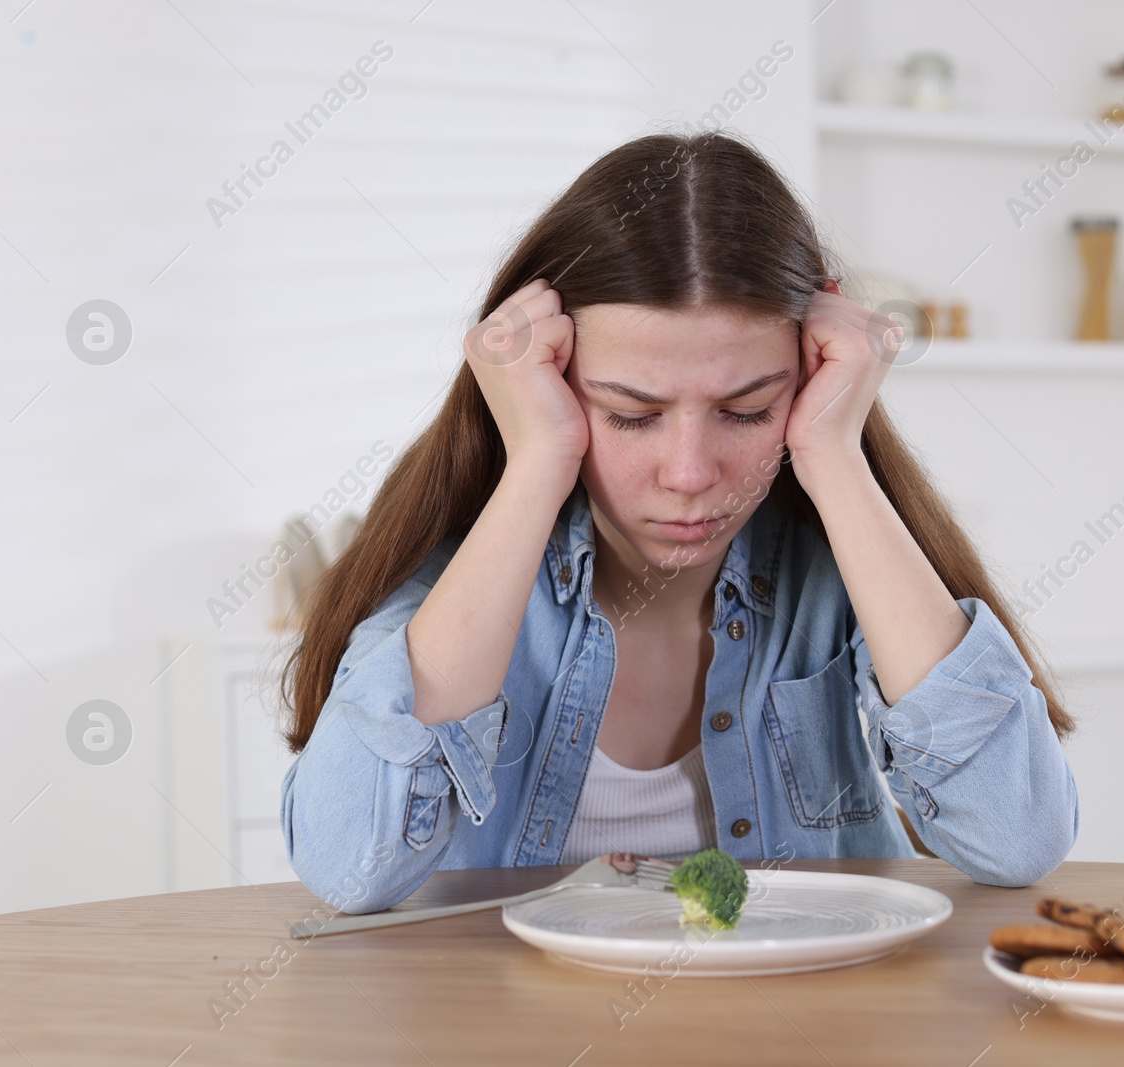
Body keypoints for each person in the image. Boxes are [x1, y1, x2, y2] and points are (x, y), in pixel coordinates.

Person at [278, 130, 1079, 914]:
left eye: (748, 409)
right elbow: (350, 871)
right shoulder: (462, 577)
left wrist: (833, 448)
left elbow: (1019, 840)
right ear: (542, 385)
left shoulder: (833, 570)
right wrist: (536, 462)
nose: (692, 474)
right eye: (630, 415)